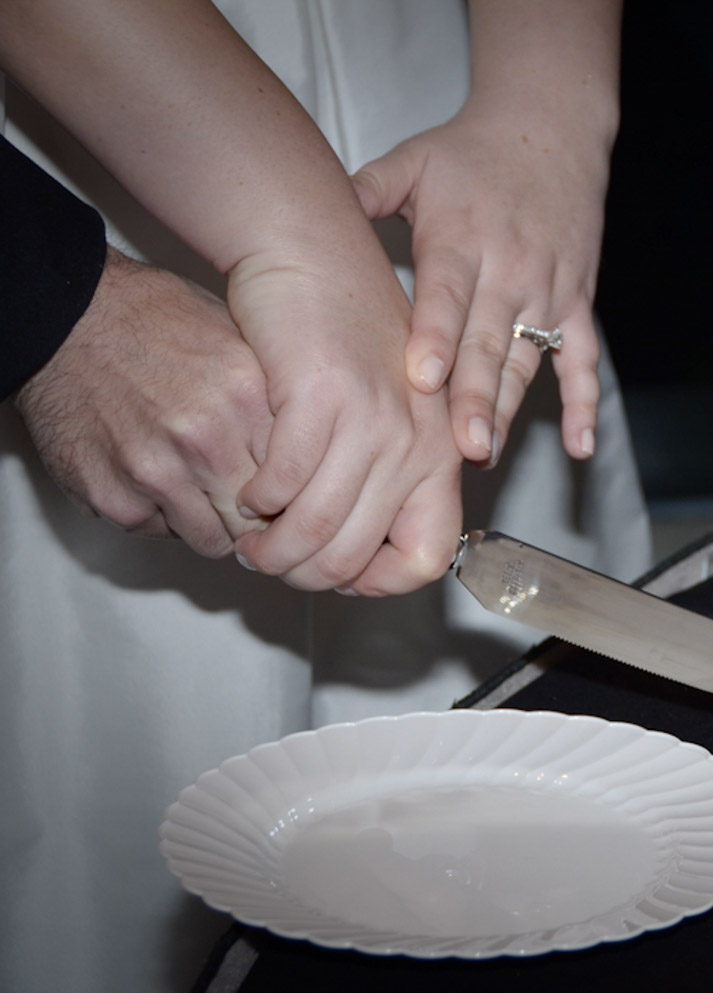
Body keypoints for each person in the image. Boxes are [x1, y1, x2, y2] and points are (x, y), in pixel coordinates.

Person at [0, 2, 649, 990]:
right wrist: (48, 296)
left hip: (460, 164)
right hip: (78, 182)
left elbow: (546, 112)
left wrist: (552, 108)